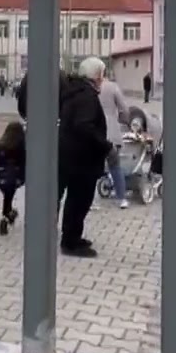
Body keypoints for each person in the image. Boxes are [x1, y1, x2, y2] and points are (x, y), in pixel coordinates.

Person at [58, 58, 112, 258]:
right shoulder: (87, 96)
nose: (102, 79)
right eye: (102, 75)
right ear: (96, 76)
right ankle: (70, 242)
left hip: (72, 157)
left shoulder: (74, 92)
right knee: (79, 200)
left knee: (75, 199)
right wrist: (105, 145)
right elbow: (84, 126)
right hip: (82, 159)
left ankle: (72, 236)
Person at [97, 64, 132, 209]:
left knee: (92, 166)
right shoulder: (112, 87)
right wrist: (124, 121)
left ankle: (92, 201)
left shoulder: (91, 88)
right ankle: (121, 198)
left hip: (95, 131)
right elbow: (124, 109)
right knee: (115, 166)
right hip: (111, 132)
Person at [0, 121, 26, 234]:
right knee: (8, 198)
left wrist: (0, 169)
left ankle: (9, 215)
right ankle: (6, 218)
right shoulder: (19, 146)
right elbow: (23, 162)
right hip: (13, 177)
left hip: (1, 176)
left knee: (7, 198)